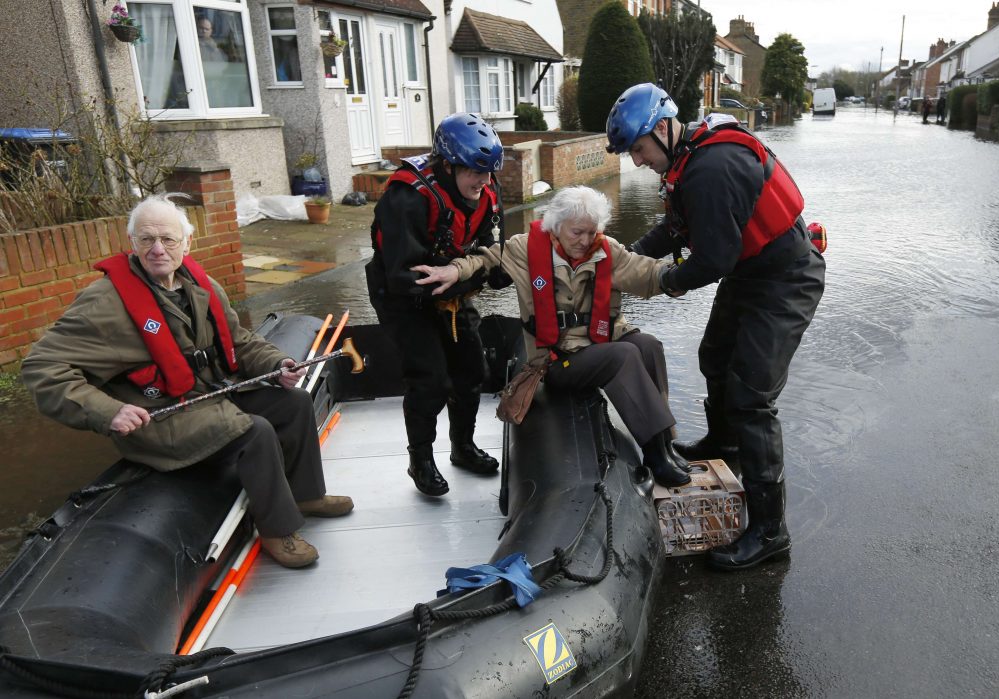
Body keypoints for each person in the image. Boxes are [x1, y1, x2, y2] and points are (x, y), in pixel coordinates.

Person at [21, 194, 353, 569]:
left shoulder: (200, 284)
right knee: (255, 432)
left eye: (168, 239)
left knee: (292, 403)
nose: (157, 249)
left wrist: (278, 362)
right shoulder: (104, 304)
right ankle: (278, 532)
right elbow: (41, 367)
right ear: (133, 244)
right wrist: (108, 411)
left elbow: (239, 341)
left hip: (204, 396)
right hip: (159, 416)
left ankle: (306, 494)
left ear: (187, 243)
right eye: (146, 239)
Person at [605, 83, 825, 570]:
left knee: (751, 395)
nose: (637, 161)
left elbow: (714, 258)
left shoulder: (710, 169)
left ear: (663, 129)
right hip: (754, 270)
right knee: (715, 355)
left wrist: (663, 280)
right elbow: (676, 229)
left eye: (638, 149)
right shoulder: (687, 161)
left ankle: (771, 531)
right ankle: (726, 445)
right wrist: (626, 258)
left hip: (787, 278)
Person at [411, 186, 692, 488]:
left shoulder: (605, 249)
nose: (585, 241)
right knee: (623, 355)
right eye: (577, 233)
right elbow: (484, 260)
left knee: (648, 345)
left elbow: (645, 271)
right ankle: (653, 455)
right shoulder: (524, 249)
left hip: (598, 345)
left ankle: (664, 443)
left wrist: (676, 277)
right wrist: (454, 271)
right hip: (559, 361)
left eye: (591, 233)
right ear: (556, 226)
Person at [365, 113, 505, 497]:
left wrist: (488, 271)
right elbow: (405, 276)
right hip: (401, 295)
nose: (484, 181)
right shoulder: (407, 198)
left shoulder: (484, 194)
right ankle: (421, 461)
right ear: (447, 164)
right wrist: (470, 276)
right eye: (475, 172)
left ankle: (462, 448)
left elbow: (487, 248)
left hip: (452, 290)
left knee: (472, 369)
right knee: (429, 379)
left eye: (489, 172)